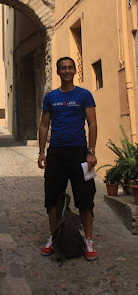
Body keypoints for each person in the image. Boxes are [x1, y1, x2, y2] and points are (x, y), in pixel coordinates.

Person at [38, 57, 98, 261]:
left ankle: (88, 240)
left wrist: (91, 151)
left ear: (74, 71)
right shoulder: (50, 97)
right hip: (56, 153)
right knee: (52, 198)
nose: (67, 71)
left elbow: (92, 123)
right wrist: (41, 151)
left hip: (80, 152)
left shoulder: (84, 95)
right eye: (63, 68)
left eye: (70, 67)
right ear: (58, 72)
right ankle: (54, 238)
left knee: (86, 197)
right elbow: (44, 124)